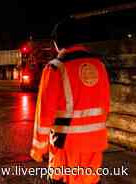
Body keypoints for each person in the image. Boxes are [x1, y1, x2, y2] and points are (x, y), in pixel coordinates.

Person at [30, 18, 110, 184]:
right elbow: (105, 104)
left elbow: (45, 112)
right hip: (95, 143)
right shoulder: (99, 65)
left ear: (57, 43)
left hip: (66, 146)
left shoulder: (55, 68)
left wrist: (38, 147)